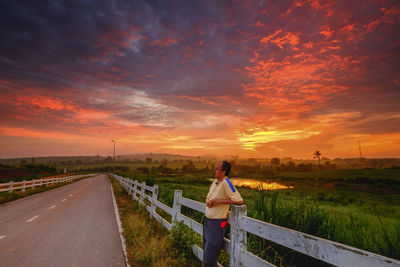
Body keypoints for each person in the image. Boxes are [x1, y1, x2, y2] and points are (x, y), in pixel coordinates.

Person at [203, 161, 243, 267]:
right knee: (206, 258)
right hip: (207, 222)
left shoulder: (226, 183)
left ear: (223, 172)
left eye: (217, 169)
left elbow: (239, 200)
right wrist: (208, 201)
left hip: (217, 224)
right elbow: (208, 196)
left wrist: (220, 201)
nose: (214, 171)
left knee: (208, 261)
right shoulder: (215, 182)